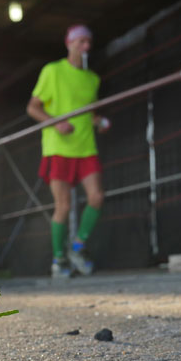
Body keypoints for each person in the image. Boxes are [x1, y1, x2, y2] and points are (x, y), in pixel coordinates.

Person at [26, 24, 105, 278]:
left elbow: (89, 112)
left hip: (86, 147)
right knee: (64, 205)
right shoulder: (53, 71)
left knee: (97, 197)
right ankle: (58, 260)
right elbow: (33, 107)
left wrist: (99, 122)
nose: (86, 47)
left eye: (88, 42)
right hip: (58, 148)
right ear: (69, 43)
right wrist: (56, 123)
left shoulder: (93, 79)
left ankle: (77, 247)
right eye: (81, 41)